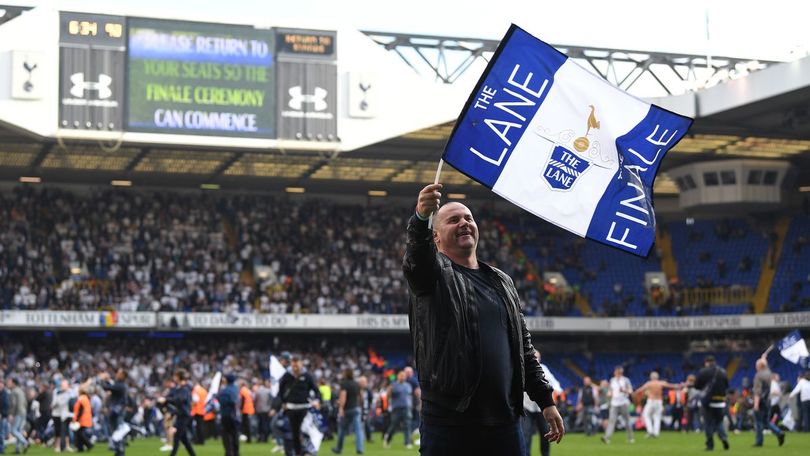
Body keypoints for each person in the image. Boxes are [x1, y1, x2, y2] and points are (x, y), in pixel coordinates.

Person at [403, 185, 564, 455]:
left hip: (505, 422)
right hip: (450, 422)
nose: (464, 223)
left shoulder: (502, 281)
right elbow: (416, 259)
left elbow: (522, 348)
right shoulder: (432, 276)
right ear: (436, 237)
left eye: (468, 218)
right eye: (453, 220)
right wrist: (420, 218)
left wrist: (545, 400)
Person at [275, 354, 321, 456]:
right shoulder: (287, 376)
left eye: (297, 363)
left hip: (304, 408)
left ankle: (309, 451)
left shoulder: (307, 376)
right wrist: (283, 403)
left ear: (301, 363)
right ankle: (298, 453)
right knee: (294, 433)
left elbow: (316, 391)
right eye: (293, 363)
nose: (295, 366)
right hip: (291, 408)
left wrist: (317, 400)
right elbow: (281, 392)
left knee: (305, 431)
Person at [695, 355, 730, 451]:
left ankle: (710, 445)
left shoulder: (703, 372)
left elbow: (697, 385)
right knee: (719, 422)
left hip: (708, 402)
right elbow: (727, 385)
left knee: (708, 423)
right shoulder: (723, 372)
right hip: (720, 402)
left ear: (706, 362)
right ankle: (723, 438)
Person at [634, 372, 681, 438]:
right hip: (659, 401)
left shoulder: (649, 383)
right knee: (657, 417)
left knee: (646, 415)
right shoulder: (661, 383)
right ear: (657, 377)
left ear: (651, 377)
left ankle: (650, 431)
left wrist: (634, 393)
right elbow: (671, 386)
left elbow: (639, 390)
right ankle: (656, 433)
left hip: (651, 401)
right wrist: (679, 385)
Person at [163, 369, 197, 456]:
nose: (174, 378)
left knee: (177, 437)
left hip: (184, 415)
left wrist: (166, 400)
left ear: (178, 376)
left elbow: (180, 400)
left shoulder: (185, 388)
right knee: (184, 439)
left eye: (175, 376)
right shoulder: (182, 388)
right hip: (181, 414)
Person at [752, 358, 785, 447]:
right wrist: (763, 359)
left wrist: (756, 404)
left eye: (756, 365)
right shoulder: (769, 374)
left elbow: (757, 392)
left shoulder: (758, 376)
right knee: (766, 422)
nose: (755, 366)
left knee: (758, 422)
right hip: (768, 401)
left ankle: (759, 441)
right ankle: (779, 433)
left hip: (760, 401)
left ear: (759, 366)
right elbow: (765, 365)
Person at [332, 368, 364, 454]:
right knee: (358, 430)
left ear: (345, 374)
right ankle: (359, 448)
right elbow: (361, 397)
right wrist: (359, 405)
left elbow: (343, 397)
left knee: (342, 430)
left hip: (347, 410)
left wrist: (341, 408)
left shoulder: (344, 384)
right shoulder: (356, 384)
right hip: (356, 408)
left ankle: (338, 448)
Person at [100, 369, 129, 456]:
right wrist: (107, 380)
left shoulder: (121, 385)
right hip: (117, 411)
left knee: (118, 431)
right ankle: (118, 450)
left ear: (123, 375)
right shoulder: (120, 385)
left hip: (117, 411)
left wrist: (102, 379)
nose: (117, 374)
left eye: (119, 373)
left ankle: (120, 450)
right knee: (116, 431)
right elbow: (111, 386)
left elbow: (106, 387)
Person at [601, 366, 634, 444]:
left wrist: (624, 390)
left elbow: (630, 391)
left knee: (627, 421)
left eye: (619, 372)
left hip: (623, 403)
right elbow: (610, 391)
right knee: (611, 421)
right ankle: (607, 437)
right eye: (616, 371)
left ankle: (631, 437)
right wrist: (609, 393)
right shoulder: (612, 380)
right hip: (614, 403)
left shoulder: (625, 380)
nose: (617, 373)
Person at [384, 371, 413, 449]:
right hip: (396, 408)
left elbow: (409, 396)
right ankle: (387, 439)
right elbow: (388, 396)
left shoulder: (408, 385)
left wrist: (410, 405)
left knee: (407, 425)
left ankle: (407, 443)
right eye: (401, 376)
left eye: (404, 376)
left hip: (406, 408)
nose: (402, 377)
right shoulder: (393, 385)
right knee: (394, 426)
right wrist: (389, 390)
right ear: (398, 377)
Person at [217, 374, 241, 456]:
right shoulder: (236, 389)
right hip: (235, 415)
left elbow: (220, 400)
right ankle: (236, 452)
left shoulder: (224, 390)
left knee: (226, 435)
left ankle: (228, 452)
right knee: (235, 435)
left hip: (226, 415)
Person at [7, 377, 29, 454]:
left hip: (17, 413)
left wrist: (11, 414)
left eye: (9, 382)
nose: (8, 383)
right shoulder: (21, 391)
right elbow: (26, 402)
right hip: (24, 412)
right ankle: (17, 449)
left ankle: (25, 442)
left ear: (13, 383)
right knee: (19, 431)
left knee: (13, 430)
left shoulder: (13, 392)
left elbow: (13, 404)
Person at [73, 381, 94, 452]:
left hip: (82, 419)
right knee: (79, 433)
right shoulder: (86, 398)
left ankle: (88, 444)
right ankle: (80, 448)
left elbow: (80, 410)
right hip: (87, 418)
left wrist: (76, 419)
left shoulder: (81, 398)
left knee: (79, 433)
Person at [357, 376, 374, 443]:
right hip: (358, 408)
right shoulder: (357, 389)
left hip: (366, 409)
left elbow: (370, 398)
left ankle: (369, 438)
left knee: (367, 424)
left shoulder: (368, 390)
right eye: (361, 382)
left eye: (364, 382)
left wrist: (369, 406)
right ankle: (359, 438)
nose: (363, 383)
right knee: (359, 424)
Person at [190, 381, 208, 445]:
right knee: (201, 426)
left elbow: (195, 400)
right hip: (203, 410)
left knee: (198, 427)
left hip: (196, 411)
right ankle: (202, 440)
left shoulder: (195, 390)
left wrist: (190, 405)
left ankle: (198, 440)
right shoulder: (204, 391)